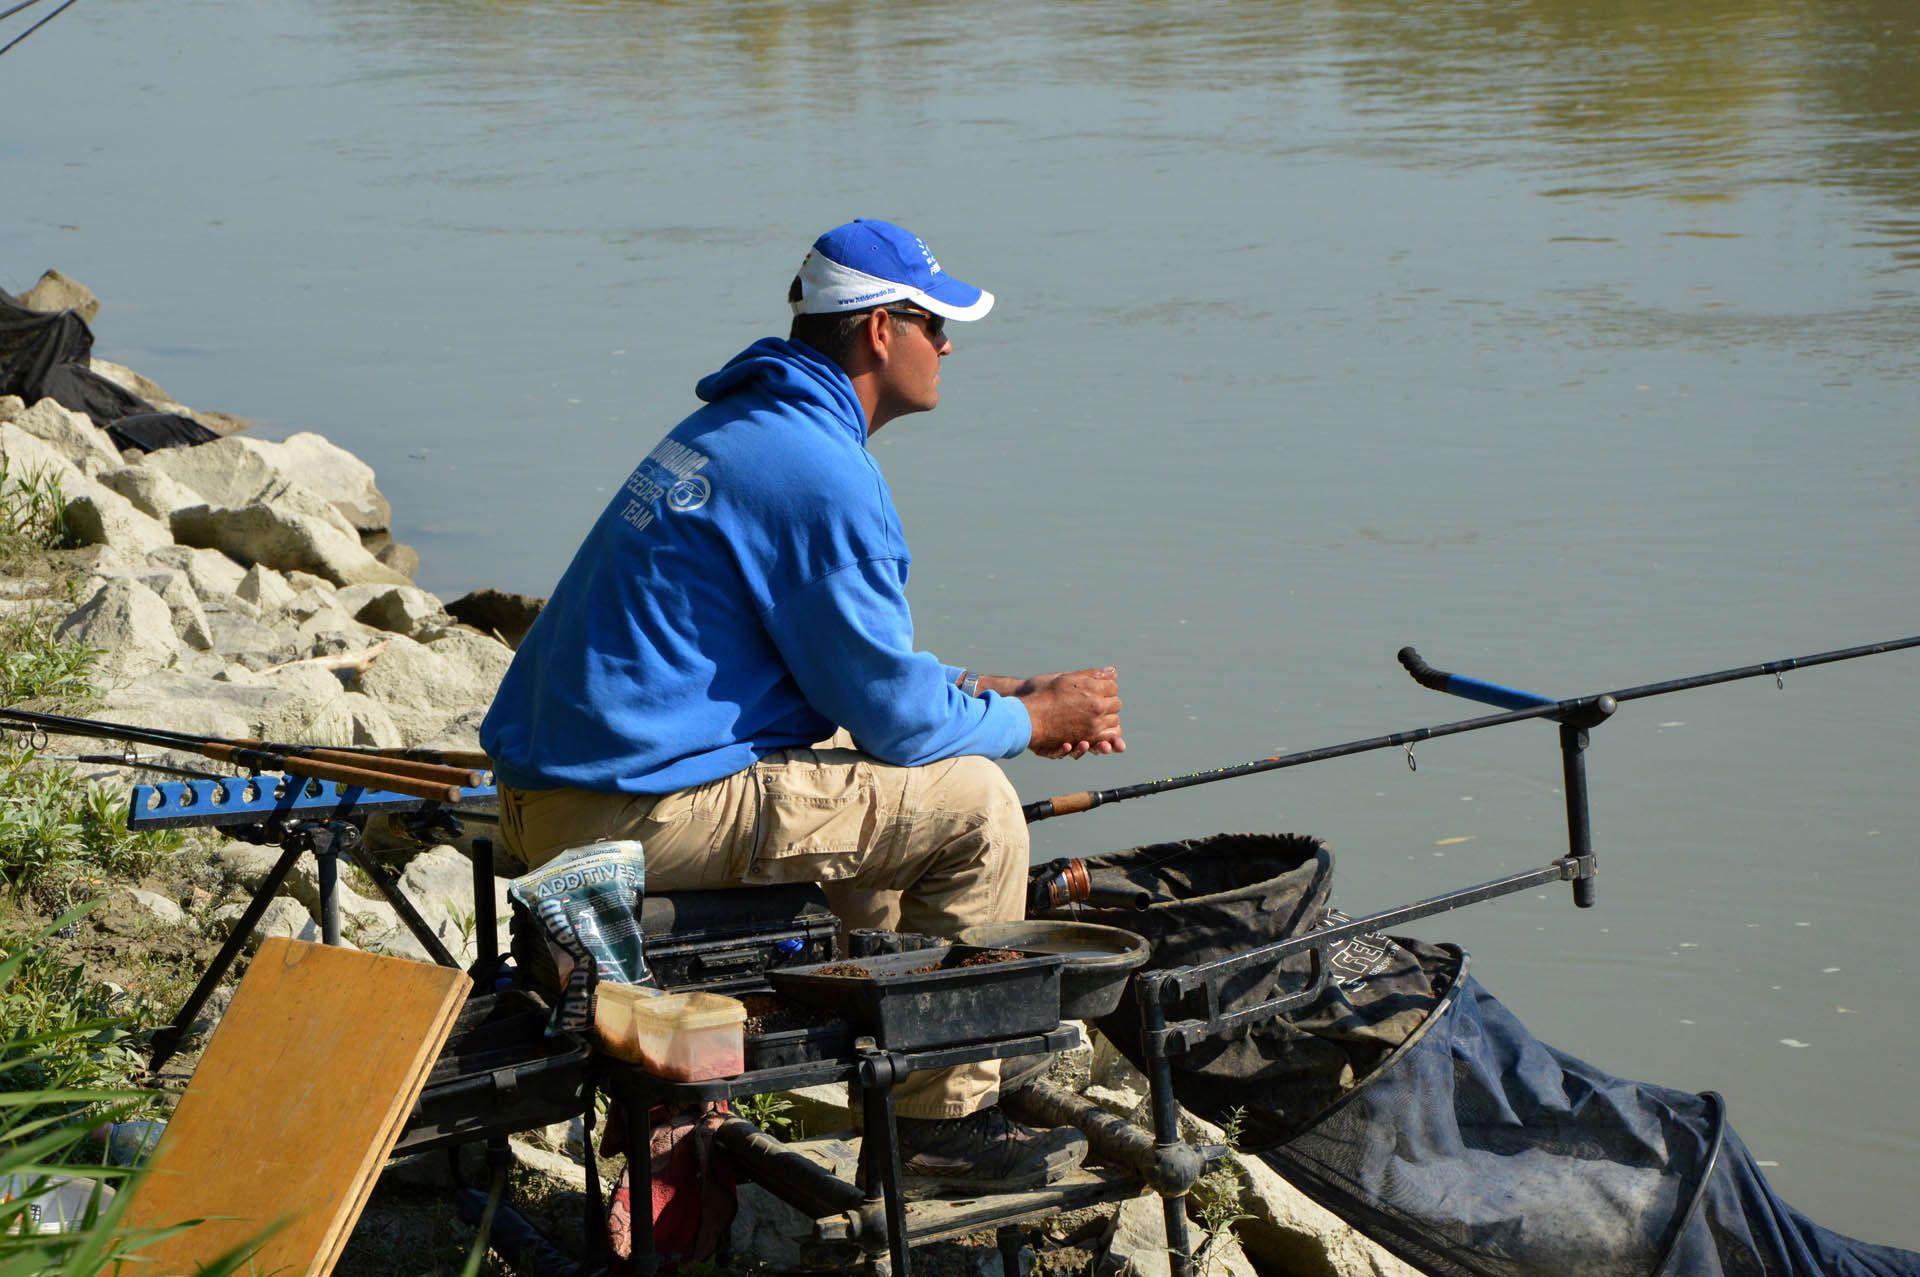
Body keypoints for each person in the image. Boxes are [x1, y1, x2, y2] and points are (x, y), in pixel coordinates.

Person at [480, 217, 1125, 1192]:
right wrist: (1034, 722)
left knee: (907, 765)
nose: (948, 346)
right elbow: (898, 725)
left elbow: (848, 680)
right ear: (879, 331)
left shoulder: (741, 426)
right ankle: (938, 1128)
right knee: (980, 807)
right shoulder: (824, 473)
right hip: (620, 815)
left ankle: (874, 1027)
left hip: (549, 789)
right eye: (936, 323)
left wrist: (984, 692)